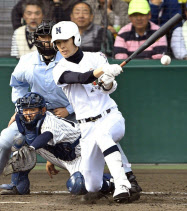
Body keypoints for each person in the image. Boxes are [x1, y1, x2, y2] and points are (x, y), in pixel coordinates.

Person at [51, 20, 139, 203]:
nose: (61, 46)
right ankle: (114, 183)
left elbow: (108, 88)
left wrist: (107, 82)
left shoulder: (97, 57)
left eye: (64, 41)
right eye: (57, 43)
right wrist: (101, 71)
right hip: (86, 128)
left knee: (103, 134)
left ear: (75, 39)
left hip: (109, 116)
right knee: (91, 185)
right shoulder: (59, 69)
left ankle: (124, 184)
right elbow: (80, 77)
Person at [0, 20, 75, 179]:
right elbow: (17, 84)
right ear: (36, 39)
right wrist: (21, 110)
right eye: (43, 37)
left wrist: (69, 109)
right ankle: (17, 184)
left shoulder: (71, 59)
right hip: (36, 113)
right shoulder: (27, 60)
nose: (46, 41)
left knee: (95, 138)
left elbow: (85, 91)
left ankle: (122, 177)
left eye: (50, 37)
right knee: (7, 139)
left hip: (68, 115)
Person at [0, 92, 113, 196]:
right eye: (25, 110)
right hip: (60, 153)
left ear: (43, 110)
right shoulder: (22, 120)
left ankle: (111, 182)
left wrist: (32, 148)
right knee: (19, 142)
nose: (28, 114)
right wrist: (49, 158)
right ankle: (18, 185)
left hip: (81, 154)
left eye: (32, 109)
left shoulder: (50, 121)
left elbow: (46, 136)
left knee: (78, 185)